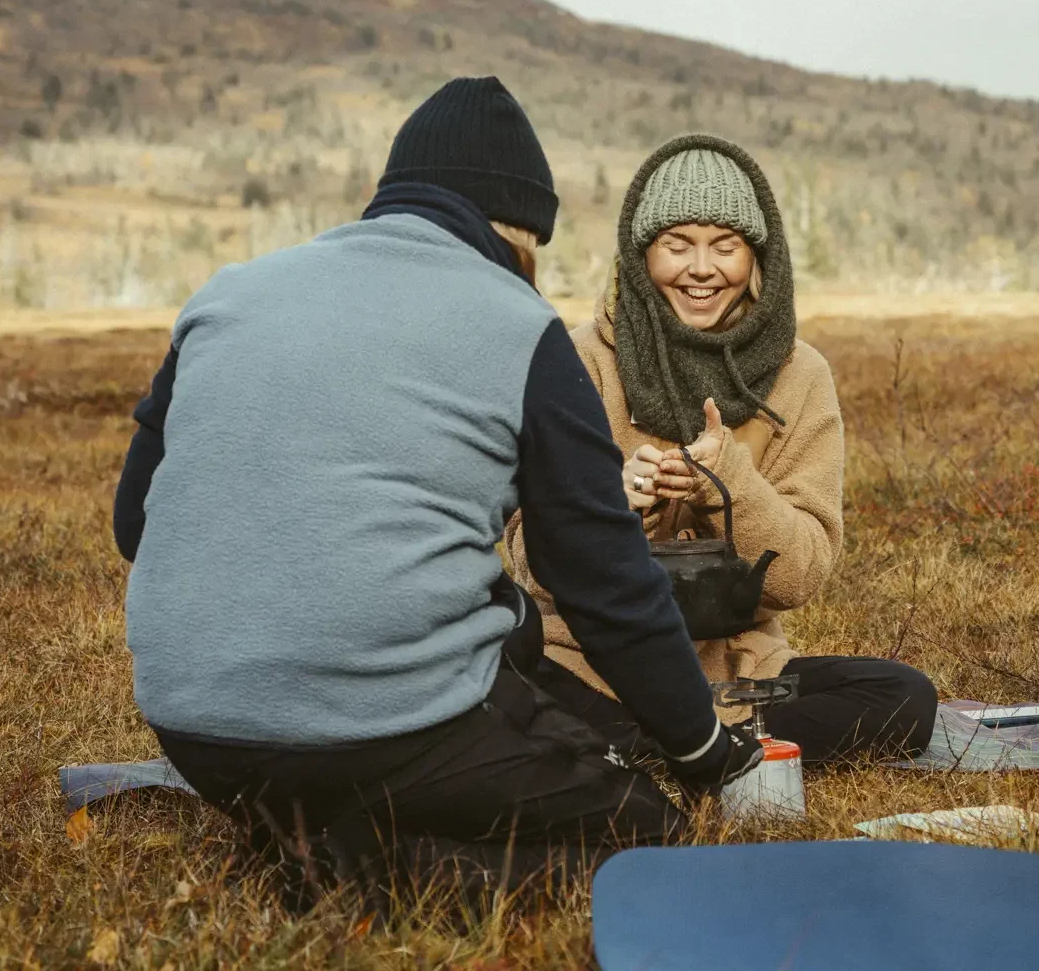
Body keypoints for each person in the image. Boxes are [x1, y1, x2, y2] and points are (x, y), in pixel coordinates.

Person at [111, 77, 761, 901]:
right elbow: (604, 581)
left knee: (513, 627)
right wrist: (705, 750)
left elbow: (135, 525)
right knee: (642, 834)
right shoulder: (520, 327)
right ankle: (357, 870)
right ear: (518, 231)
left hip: (193, 728)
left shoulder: (225, 295)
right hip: (380, 732)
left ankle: (304, 826)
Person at [505, 134, 938, 764]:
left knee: (904, 697)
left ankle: (675, 747)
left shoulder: (799, 374)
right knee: (506, 675)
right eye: (676, 245)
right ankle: (713, 750)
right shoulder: (579, 360)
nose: (701, 268)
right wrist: (609, 501)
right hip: (591, 664)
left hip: (738, 674)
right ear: (640, 254)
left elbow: (801, 574)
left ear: (757, 256)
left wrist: (728, 482)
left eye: (725, 246)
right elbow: (527, 562)